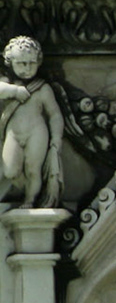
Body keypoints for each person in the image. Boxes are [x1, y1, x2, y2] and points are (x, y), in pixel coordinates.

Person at [0, 36, 63, 208]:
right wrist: (15, 91)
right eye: (21, 63)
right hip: (14, 133)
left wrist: (56, 138)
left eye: (32, 63)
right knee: (10, 170)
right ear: (10, 62)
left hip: (36, 132)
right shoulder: (7, 84)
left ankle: (30, 200)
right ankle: (23, 190)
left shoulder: (42, 88)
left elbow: (55, 115)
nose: (27, 68)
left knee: (33, 169)